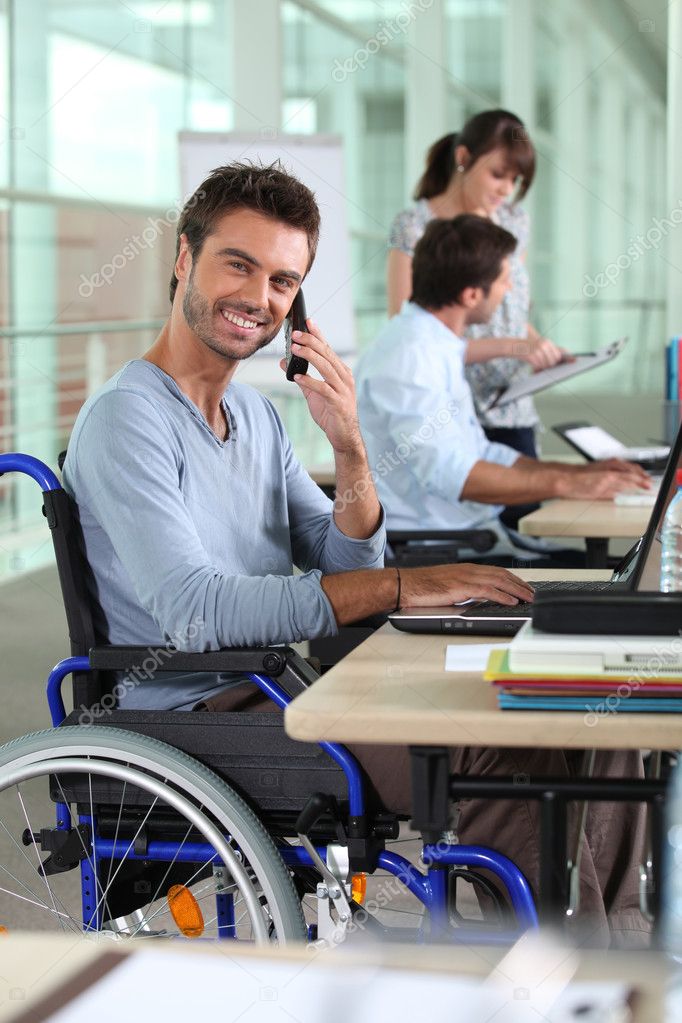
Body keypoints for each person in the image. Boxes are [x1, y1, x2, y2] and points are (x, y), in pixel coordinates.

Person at [64, 164, 647, 947]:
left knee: (591, 718)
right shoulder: (128, 420)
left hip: (281, 687)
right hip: (197, 719)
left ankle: (614, 955)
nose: (259, 298)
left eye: (282, 279)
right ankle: (553, 974)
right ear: (182, 259)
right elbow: (197, 611)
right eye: (237, 264)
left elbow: (342, 559)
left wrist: (350, 449)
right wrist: (405, 582)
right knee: (500, 736)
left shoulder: (255, 416)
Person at [358, 214, 651, 563]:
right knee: (620, 581)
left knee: (627, 569)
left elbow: (482, 453)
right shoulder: (410, 357)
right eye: (504, 281)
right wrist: (566, 486)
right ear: (471, 294)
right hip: (442, 554)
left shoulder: (435, 344)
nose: (510, 290)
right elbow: (452, 475)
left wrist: (578, 473)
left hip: (477, 537)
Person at [387, 109, 563, 526]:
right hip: (448, 408)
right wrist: (514, 346)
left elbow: (511, 311)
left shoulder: (513, 222)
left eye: (515, 181)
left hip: (512, 407)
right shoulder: (416, 226)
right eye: (498, 175)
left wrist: (541, 348)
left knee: (525, 530)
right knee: (469, 532)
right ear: (464, 157)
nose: (506, 189)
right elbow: (410, 330)